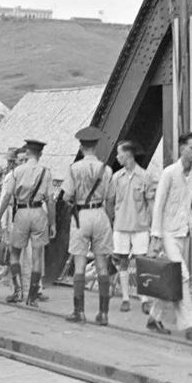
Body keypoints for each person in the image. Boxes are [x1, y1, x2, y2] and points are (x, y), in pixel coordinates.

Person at [147, 132, 192, 342]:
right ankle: (189, 326)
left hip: (184, 232)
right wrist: (155, 236)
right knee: (182, 276)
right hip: (167, 234)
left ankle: (154, 317)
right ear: (182, 149)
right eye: (191, 147)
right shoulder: (169, 173)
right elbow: (159, 205)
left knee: (170, 278)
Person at [62, 127, 114, 325]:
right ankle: (103, 314)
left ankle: (79, 312)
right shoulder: (106, 170)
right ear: (96, 145)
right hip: (100, 214)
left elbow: (67, 196)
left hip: (81, 215)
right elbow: (110, 199)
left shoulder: (74, 168)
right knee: (102, 265)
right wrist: (108, 219)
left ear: (81, 146)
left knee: (80, 264)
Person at [0, 139, 56, 307]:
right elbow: (51, 201)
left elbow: (7, 196)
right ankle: (33, 296)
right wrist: (52, 223)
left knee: (15, 253)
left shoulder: (17, 171)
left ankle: (18, 291)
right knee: (37, 256)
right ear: (40, 154)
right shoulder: (46, 172)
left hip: (21, 212)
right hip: (38, 213)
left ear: (27, 152)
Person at [106, 140, 154, 314]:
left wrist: (151, 224)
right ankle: (126, 298)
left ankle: (144, 299)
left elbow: (150, 202)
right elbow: (110, 202)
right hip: (121, 225)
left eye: (119, 154)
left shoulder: (145, 176)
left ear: (128, 155)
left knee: (142, 262)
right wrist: (112, 221)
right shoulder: (116, 178)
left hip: (140, 226)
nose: (117, 157)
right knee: (122, 262)